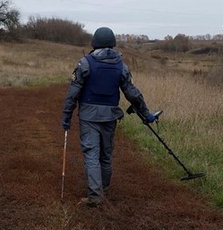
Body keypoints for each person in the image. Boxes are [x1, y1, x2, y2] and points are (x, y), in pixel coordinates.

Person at [61, 27, 157, 207]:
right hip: (110, 117)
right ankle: (102, 188)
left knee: (91, 153)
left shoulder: (85, 63)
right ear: (112, 43)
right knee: (105, 155)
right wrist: (146, 114)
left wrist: (66, 117)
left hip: (89, 117)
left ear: (94, 42)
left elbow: (72, 94)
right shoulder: (121, 66)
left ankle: (95, 196)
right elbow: (133, 94)